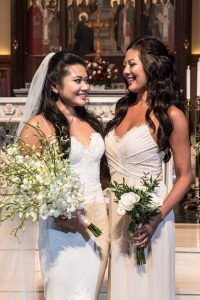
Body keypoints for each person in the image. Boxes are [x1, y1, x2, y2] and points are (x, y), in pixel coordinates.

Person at [105, 36, 192, 300]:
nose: (125, 71)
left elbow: (186, 176)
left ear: (151, 66)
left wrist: (155, 219)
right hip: (117, 216)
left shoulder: (172, 116)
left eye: (131, 64)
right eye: (124, 65)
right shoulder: (123, 109)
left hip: (151, 219)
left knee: (147, 289)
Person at [17, 51, 109, 299]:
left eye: (87, 80)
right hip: (61, 227)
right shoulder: (38, 125)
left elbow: (100, 173)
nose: (85, 87)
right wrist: (59, 212)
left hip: (98, 223)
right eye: (78, 81)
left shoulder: (91, 122)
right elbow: (24, 183)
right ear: (56, 86)